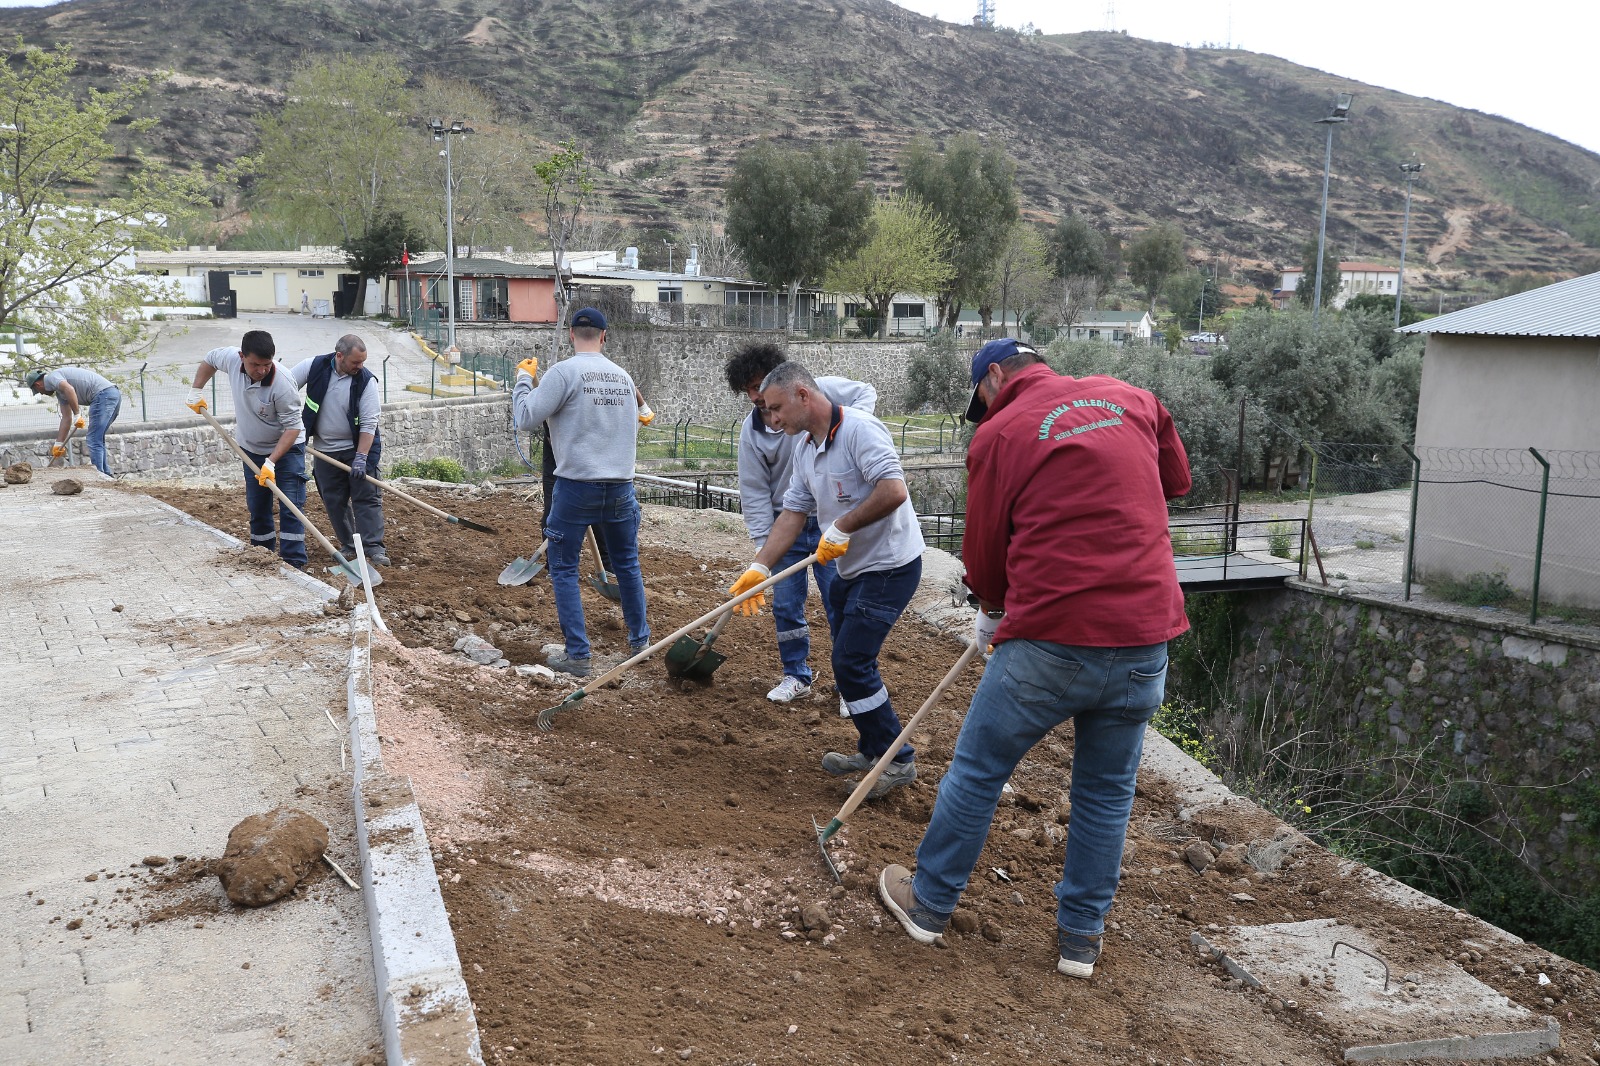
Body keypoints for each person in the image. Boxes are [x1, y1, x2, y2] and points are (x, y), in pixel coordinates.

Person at [877, 338, 1192, 980]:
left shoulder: (1000, 433)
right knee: (1106, 793)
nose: (984, 413)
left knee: (978, 770)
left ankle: (928, 905)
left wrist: (991, 608)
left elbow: (984, 554)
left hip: (1053, 638)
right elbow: (1175, 482)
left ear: (994, 376)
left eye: (981, 400)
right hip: (1144, 636)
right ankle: (1080, 941)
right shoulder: (1132, 398)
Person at [728, 362, 924, 798]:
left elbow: (893, 490)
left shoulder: (859, 430)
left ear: (803, 395)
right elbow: (793, 513)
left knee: (851, 661)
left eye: (776, 408)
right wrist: (761, 566)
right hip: (853, 567)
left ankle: (897, 760)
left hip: (890, 565)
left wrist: (843, 526)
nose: (771, 420)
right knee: (849, 659)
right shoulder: (805, 448)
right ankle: (873, 749)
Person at [725, 341, 877, 704]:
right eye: (749, 391)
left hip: (830, 522)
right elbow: (754, 491)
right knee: (785, 605)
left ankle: (849, 684)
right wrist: (763, 552)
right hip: (786, 527)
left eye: (759, 386)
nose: (756, 397)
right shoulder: (753, 432)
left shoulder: (818, 392)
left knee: (838, 602)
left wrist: (847, 432)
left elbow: (866, 393)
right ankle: (796, 675)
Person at [512, 307, 649, 677]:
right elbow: (638, 418)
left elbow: (525, 418)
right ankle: (640, 642)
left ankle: (578, 655)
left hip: (576, 487)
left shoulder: (562, 373)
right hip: (621, 487)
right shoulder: (623, 377)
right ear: (604, 337)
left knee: (563, 569)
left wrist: (524, 380)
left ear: (572, 335)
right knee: (627, 565)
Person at [186, 331, 309, 569]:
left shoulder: (283, 384)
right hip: (251, 449)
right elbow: (210, 359)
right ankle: (261, 556)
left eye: (267, 364)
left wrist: (271, 462)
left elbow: (293, 428)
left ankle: (294, 563)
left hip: (287, 450)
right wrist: (196, 390)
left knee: (291, 506)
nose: (261, 370)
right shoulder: (231, 359)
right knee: (258, 506)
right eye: (255, 364)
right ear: (242, 356)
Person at [288, 334, 388, 567]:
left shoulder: (366, 381)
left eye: (363, 361)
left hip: (358, 448)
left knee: (367, 497)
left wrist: (361, 457)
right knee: (334, 499)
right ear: (339, 356)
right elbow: (285, 387)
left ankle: (373, 547)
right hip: (325, 451)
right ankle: (350, 545)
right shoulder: (313, 367)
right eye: (356, 362)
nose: (360, 366)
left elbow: (369, 424)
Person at [26, 366, 123, 476]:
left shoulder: (52, 378)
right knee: (97, 437)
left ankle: (100, 475)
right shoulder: (60, 392)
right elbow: (66, 417)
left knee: (93, 438)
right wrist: (58, 443)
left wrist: (77, 415)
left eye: (38, 391)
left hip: (103, 395)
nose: (42, 394)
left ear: (38, 385)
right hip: (112, 394)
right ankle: (106, 474)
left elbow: (70, 389)